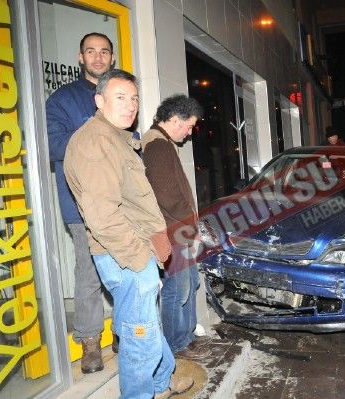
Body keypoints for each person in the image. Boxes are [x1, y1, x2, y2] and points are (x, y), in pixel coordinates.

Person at [63, 69, 193, 398]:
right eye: (120, 97)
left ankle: (163, 379)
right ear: (99, 100)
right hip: (125, 255)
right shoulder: (96, 141)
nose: (130, 105)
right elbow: (102, 215)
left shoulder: (116, 137)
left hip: (133, 252)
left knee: (142, 324)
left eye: (134, 98)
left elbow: (135, 202)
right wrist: (139, 260)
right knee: (139, 339)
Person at [45, 32, 115, 374]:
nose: (98, 57)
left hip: (119, 204)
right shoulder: (62, 100)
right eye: (91, 51)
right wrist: (96, 135)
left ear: (112, 58)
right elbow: (54, 146)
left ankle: (122, 330)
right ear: (80, 56)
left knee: (125, 268)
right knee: (88, 275)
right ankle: (89, 342)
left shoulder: (118, 95)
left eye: (104, 52)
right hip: (81, 204)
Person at [141, 95, 211, 361]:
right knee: (176, 289)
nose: (190, 132)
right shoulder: (158, 146)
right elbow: (168, 196)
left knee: (190, 283)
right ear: (174, 120)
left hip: (177, 230)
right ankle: (175, 345)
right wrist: (192, 230)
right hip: (173, 232)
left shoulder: (162, 143)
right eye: (189, 126)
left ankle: (187, 335)